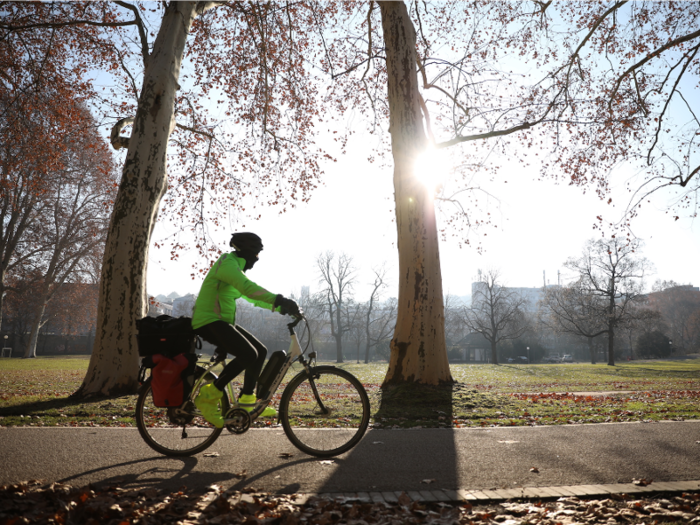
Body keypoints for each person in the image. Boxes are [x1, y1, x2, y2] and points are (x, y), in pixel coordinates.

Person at [191, 232, 300, 428]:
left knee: (260, 351)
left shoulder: (235, 267)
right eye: (256, 254)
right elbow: (247, 288)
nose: (257, 259)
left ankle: (247, 401)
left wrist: (279, 307)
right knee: (249, 353)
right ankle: (208, 397)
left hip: (221, 321)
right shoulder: (228, 263)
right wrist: (279, 299)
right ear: (248, 252)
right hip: (208, 320)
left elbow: (252, 297)